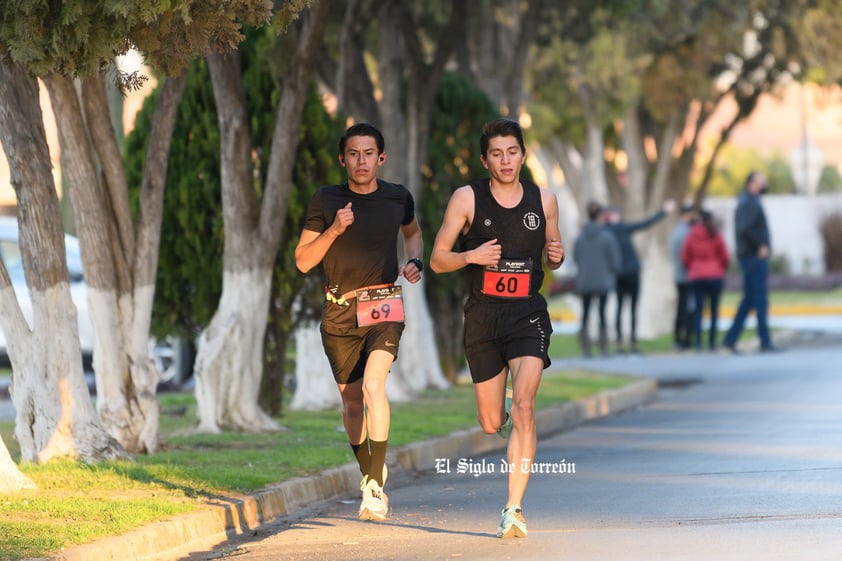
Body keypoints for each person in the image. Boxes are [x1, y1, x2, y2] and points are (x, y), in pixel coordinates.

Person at [430, 118, 564, 539]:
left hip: (527, 315)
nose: (505, 160)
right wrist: (471, 257)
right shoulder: (467, 198)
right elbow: (437, 259)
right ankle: (502, 401)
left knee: (524, 408)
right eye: (496, 153)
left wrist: (557, 255)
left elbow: (554, 254)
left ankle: (513, 509)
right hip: (484, 318)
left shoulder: (544, 199)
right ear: (485, 159)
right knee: (492, 422)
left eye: (512, 152)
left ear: (523, 155)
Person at [294, 123, 424, 521]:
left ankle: (374, 486)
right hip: (338, 312)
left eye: (369, 153)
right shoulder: (326, 200)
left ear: (380, 158)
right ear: (343, 159)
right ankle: (368, 469)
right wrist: (334, 228)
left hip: (382, 306)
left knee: (372, 387)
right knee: (351, 403)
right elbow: (303, 261)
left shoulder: (397, 197)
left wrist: (415, 261)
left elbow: (413, 234)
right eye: (354, 153)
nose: (361, 160)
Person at [602, 199, 675, 353]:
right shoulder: (620, 229)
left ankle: (622, 343)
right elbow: (645, 224)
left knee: (621, 309)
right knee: (631, 308)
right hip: (630, 272)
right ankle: (631, 343)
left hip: (621, 273)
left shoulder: (605, 231)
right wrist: (664, 212)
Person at [721, 171, 778, 353]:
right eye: (762, 181)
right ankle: (765, 341)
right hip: (753, 257)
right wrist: (760, 245)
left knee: (749, 300)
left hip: (751, 256)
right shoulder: (748, 203)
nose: (765, 185)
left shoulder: (750, 201)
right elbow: (746, 228)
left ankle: (730, 339)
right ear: (752, 183)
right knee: (760, 299)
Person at [573, 201, 621, 357]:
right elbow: (615, 260)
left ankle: (585, 348)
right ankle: (603, 347)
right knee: (602, 314)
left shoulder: (580, 237)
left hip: (585, 281)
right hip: (603, 281)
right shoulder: (607, 237)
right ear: (600, 215)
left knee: (585, 314)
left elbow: (576, 258)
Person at [682, 209, 730, 351]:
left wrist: (692, 268)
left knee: (698, 310)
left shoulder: (691, 235)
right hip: (715, 275)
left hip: (697, 276)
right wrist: (719, 269)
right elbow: (725, 256)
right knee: (714, 311)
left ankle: (698, 342)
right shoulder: (716, 234)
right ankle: (712, 342)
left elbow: (685, 256)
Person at [669, 203, 697, 350]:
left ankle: (682, 339)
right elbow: (685, 257)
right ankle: (683, 340)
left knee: (683, 308)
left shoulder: (679, 231)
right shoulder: (684, 232)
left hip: (681, 276)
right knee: (686, 309)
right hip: (686, 276)